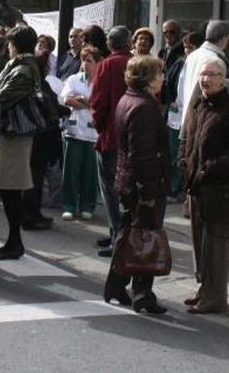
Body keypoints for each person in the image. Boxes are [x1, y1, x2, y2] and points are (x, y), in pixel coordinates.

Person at [180, 57, 229, 313]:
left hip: (219, 188)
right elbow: (187, 137)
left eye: (211, 74)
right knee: (200, 244)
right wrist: (184, 164)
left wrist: (210, 168)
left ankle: (215, 298)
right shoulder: (198, 103)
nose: (205, 79)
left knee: (217, 245)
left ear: (223, 78)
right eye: (202, 74)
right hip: (197, 186)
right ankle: (204, 290)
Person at [103, 54, 171, 314]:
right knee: (145, 238)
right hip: (141, 184)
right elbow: (142, 153)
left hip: (128, 181)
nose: (162, 79)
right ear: (149, 78)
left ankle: (118, 286)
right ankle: (142, 293)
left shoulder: (129, 99)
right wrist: (148, 192)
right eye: (159, 74)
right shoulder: (144, 105)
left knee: (128, 235)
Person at [0, 25, 42, 259]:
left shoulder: (22, 70)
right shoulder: (22, 67)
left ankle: (14, 242)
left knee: (10, 189)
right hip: (11, 135)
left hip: (15, 134)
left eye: (10, 44)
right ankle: (13, 241)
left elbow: (1, 99)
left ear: (16, 46)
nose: (8, 49)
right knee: (7, 188)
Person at [89, 26, 133, 257]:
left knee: (110, 189)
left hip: (111, 136)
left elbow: (97, 101)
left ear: (110, 43)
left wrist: (100, 126)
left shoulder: (107, 64)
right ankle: (116, 232)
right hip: (130, 137)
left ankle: (118, 235)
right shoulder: (136, 63)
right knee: (124, 190)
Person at [60, 45, 102, 220]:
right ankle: (69, 205)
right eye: (84, 60)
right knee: (71, 171)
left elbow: (100, 104)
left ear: (98, 63)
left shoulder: (101, 81)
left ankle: (87, 205)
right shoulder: (74, 79)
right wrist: (87, 102)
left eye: (90, 60)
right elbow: (66, 99)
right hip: (74, 131)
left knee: (90, 173)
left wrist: (82, 99)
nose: (86, 64)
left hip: (93, 134)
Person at [23, 52, 62, 230]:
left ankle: (34, 213)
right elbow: (48, 107)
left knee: (36, 179)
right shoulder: (37, 85)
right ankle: (30, 215)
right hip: (40, 138)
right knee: (34, 180)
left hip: (41, 138)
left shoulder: (40, 83)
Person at [163, 30, 203, 202]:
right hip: (175, 116)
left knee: (186, 154)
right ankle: (172, 187)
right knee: (173, 153)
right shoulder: (179, 64)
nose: (187, 51)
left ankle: (181, 187)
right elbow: (167, 85)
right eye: (185, 47)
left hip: (190, 117)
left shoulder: (203, 65)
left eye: (191, 47)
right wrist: (170, 100)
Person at [179, 20, 229, 128]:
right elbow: (223, 92)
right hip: (207, 120)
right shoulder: (216, 61)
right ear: (224, 39)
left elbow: (180, 90)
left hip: (187, 118)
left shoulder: (192, 56)